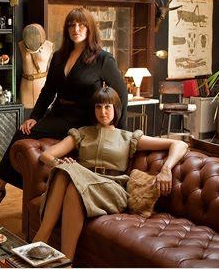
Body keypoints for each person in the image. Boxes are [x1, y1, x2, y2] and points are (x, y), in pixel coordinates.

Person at [0, 7, 128, 206]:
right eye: (71, 25)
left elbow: (121, 94)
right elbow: (48, 91)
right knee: (24, 130)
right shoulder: (59, 56)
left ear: (90, 29)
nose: (76, 29)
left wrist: (118, 131)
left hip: (81, 118)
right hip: (58, 113)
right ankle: (1, 187)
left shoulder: (103, 58)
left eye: (81, 25)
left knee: (22, 135)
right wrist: (34, 116)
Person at [33, 86, 188, 260]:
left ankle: (40, 241)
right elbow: (46, 155)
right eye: (98, 107)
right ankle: (63, 259)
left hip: (112, 188)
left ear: (116, 109)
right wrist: (58, 162)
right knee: (68, 180)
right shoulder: (82, 133)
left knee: (70, 177)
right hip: (82, 184)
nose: (103, 112)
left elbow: (180, 145)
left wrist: (166, 169)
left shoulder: (128, 137)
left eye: (108, 107)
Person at [19, 24, 54, 109]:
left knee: (43, 113)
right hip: (26, 85)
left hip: (42, 84)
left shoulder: (49, 46)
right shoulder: (21, 45)